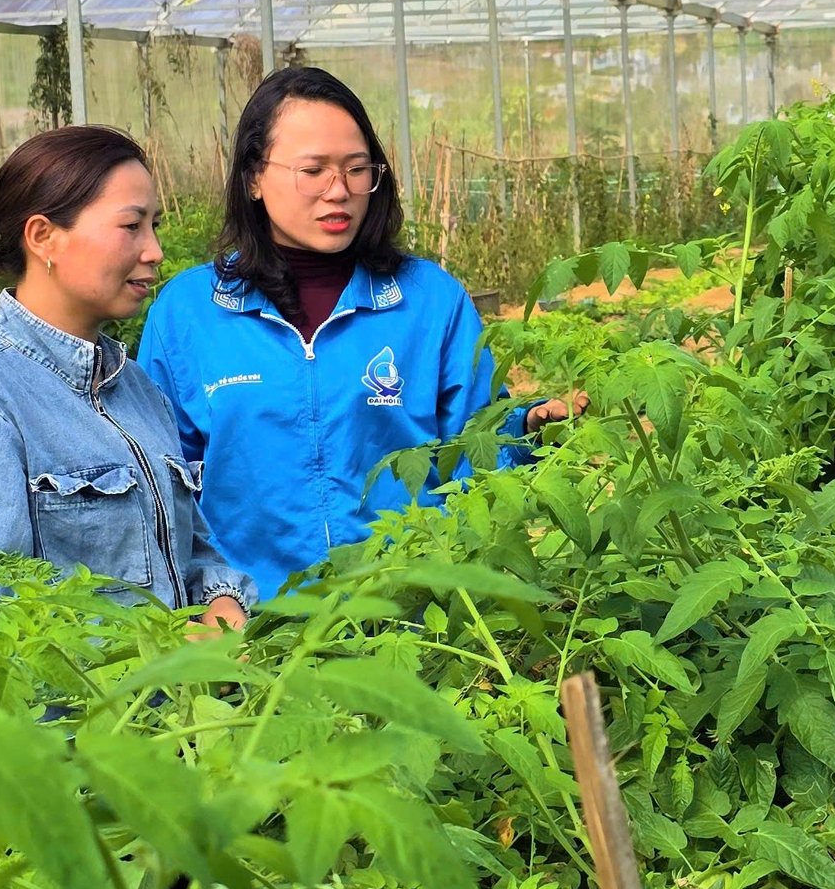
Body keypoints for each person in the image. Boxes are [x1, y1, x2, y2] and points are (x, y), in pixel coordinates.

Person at [138, 67, 583, 598]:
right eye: (314, 170)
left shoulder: (429, 301)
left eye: (356, 168)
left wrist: (529, 428)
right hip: (251, 626)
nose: (339, 191)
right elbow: (163, 483)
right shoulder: (190, 313)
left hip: (412, 612)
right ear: (254, 177)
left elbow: (474, 442)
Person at [0, 126, 253, 697]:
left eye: (154, 225)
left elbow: (190, 549)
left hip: (164, 744)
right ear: (44, 237)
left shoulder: (139, 391)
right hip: (60, 767)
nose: (154, 250)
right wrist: (153, 651)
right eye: (131, 225)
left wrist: (222, 602)